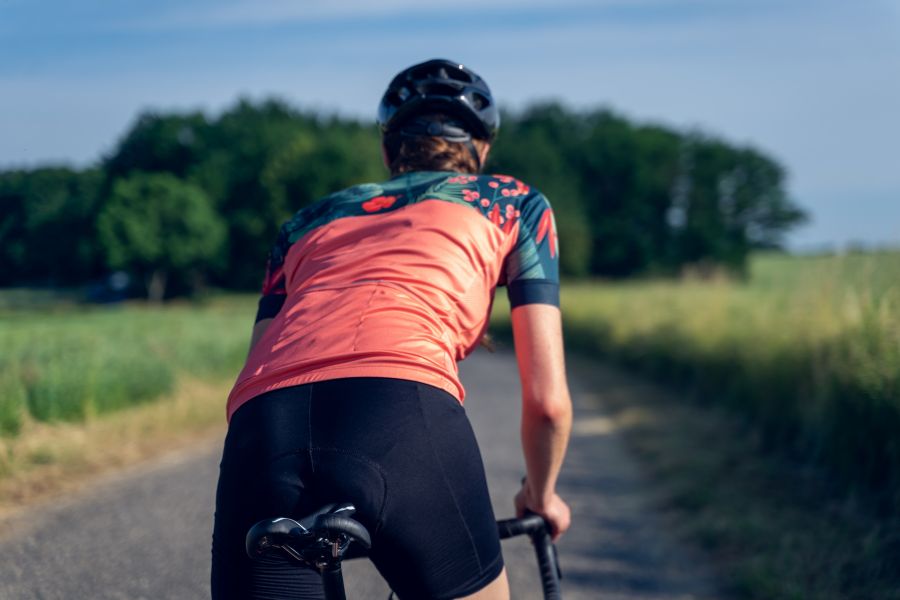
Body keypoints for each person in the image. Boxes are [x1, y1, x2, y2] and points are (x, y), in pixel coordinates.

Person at [211, 58, 573, 600]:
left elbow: (261, 357)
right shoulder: (513, 203)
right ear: (482, 150)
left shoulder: (305, 223)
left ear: (388, 152)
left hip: (262, 429)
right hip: (400, 410)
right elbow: (547, 403)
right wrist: (541, 494)